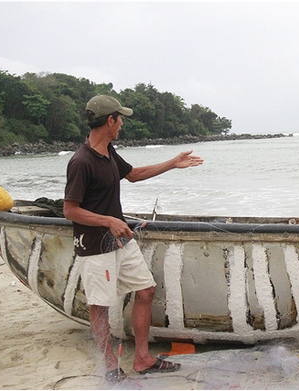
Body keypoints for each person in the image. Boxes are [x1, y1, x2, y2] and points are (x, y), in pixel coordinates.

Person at [64, 95, 204, 382]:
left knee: (146, 290)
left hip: (119, 240)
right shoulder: (81, 161)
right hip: (94, 246)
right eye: (120, 118)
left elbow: (134, 175)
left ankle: (142, 358)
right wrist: (109, 220)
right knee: (99, 307)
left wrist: (173, 163)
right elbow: (70, 210)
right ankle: (110, 365)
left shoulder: (109, 152)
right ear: (110, 121)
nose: (122, 123)